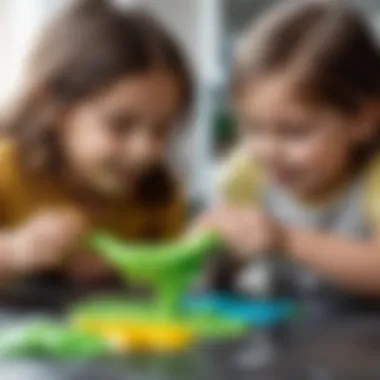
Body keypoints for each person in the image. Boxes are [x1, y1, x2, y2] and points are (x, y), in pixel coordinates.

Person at [0, 0, 191, 284]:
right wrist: (15, 252)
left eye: (162, 129)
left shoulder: (158, 195)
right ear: (53, 106)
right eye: (121, 125)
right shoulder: (7, 171)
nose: (145, 151)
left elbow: (171, 285)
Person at [198, 0, 380, 297]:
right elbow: (220, 272)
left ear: (364, 120)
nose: (268, 151)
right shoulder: (247, 172)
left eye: (294, 132)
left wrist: (285, 241)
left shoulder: (374, 175)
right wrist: (211, 250)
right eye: (253, 128)